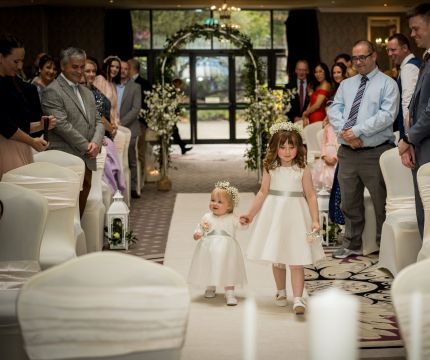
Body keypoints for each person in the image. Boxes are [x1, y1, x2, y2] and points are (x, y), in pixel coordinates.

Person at [241, 121, 323, 315]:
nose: (287, 152)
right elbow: (262, 193)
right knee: (277, 258)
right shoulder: (270, 167)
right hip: (274, 214)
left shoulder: (303, 169)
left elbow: (310, 195)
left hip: (296, 215)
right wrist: (251, 215)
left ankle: (298, 298)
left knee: (297, 258)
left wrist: (315, 219)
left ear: (298, 148)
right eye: (282, 147)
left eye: (291, 147)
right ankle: (280, 291)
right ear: (275, 148)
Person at [328, 40, 399, 259]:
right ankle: (352, 244)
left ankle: (382, 246)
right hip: (348, 152)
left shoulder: (388, 84)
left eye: (363, 57)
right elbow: (334, 109)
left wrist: (357, 131)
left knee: (380, 202)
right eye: (355, 58)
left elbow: (387, 115)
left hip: (375, 152)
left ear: (374, 56)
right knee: (349, 202)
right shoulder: (347, 85)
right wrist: (347, 133)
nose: (358, 62)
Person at [41, 47, 104, 217]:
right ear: (63, 66)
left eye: (82, 66)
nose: (80, 71)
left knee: (80, 212)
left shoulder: (86, 92)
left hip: (88, 158)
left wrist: (96, 143)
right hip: (65, 159)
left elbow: (99, 121)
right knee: (67, 215)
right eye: (75, 67)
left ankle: (78, 243)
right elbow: (61, 125)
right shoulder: (52, 91)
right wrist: (87, 146)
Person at [0, 33, 55, 179]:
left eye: (22, 61)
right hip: (5, 149)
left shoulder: (13, 83)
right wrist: (31, 141)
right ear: (1, 57)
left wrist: (40, 125)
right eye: (15, 61)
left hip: (19, 146)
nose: (20, 66)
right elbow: (5, 125)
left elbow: (18, 123)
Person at [188, 181, 247, 306]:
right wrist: (197, 234)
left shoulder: (232, 217)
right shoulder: (207, 216)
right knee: (209, 265)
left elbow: (241, 227)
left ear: (229, 206)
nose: (215, 203)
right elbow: (200, 228)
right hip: (208, 248)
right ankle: (210, 285)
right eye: (213, 200)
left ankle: (230, 291)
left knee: (228, 268)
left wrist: (243, 222)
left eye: (220, 202)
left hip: (228, 249)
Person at [399, 4, 430, 239]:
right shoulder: (426, 59)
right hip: (421, 145)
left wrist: (409, 137)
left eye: (416, 28)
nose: (412, 34)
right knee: (423, 212)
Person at [83, 57, 125, 195]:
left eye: (93, 71)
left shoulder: (95, 88)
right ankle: (113, 193)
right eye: (87, 71)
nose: (91, 74)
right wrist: (109, 128)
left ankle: (115, 195)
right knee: (109, 165)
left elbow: (108, 110)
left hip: (106, 130)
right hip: (98, 134)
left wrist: (113, 125)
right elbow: (97, 116)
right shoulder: (88, 90)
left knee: (113, 164)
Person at [387, 33, 421, 138]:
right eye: (388, 50)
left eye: (393, 50)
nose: (389, 53)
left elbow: (408, 103)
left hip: (409, 133)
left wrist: (407, 137)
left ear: (405, 48)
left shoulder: (409, 68)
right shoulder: (412, 64)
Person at [117, 60, 142, 199]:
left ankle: (133, 189)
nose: (123, 71)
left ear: (129, 70)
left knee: (131, 160)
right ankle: (119, 189)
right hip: (113, 129)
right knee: (118, 161)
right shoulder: (110, 85)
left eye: (126, 69)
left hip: (130, 128)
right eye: (121, 68)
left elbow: (135, 109)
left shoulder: (135, 87)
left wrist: (121, 122)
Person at [172, 78, 192, 155]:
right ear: (175, 83)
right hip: (169, 116)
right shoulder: (171, 92)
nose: (179, 86)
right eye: (179, 84)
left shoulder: (175, 92)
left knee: (175, 132)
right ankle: (182, 145)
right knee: (174, 132)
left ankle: (182, 146)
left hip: (172, 116)